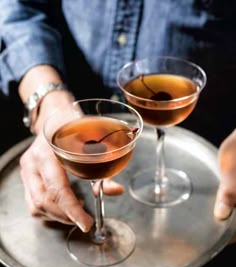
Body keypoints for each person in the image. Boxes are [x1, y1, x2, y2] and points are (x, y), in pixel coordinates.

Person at [0, 1, 236, 237]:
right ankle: (100, 231)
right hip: (74, 115)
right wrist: (47, 100)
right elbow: (18, 7)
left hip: (212, 146)